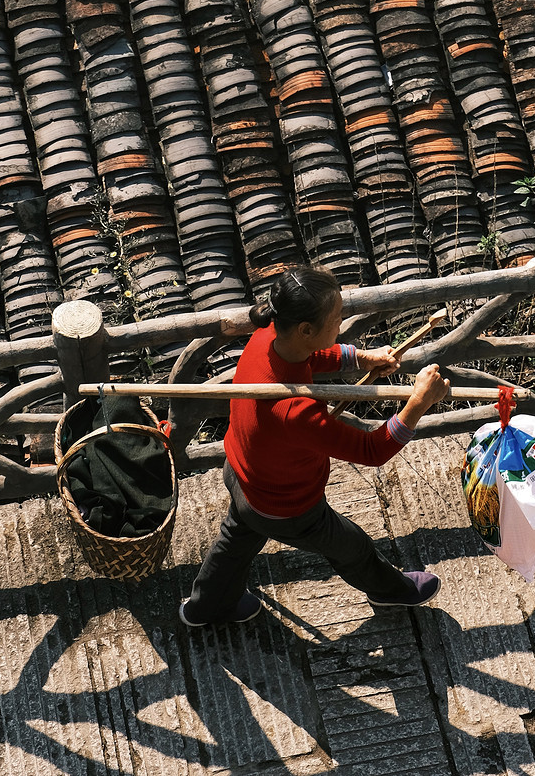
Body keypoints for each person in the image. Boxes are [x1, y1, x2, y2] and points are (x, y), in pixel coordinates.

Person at [180, 263, 451, 627]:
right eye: (336, 320)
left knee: (238, 538)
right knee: (351, 546)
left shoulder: (267, 337)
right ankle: (391, 590)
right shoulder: (294, 411)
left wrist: (361, 357)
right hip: (284, 505)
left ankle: (206, 607)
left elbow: (311, 354)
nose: (340, 326)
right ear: (306, 328)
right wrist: (418, 404)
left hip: (242, 472)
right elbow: (372, 452)